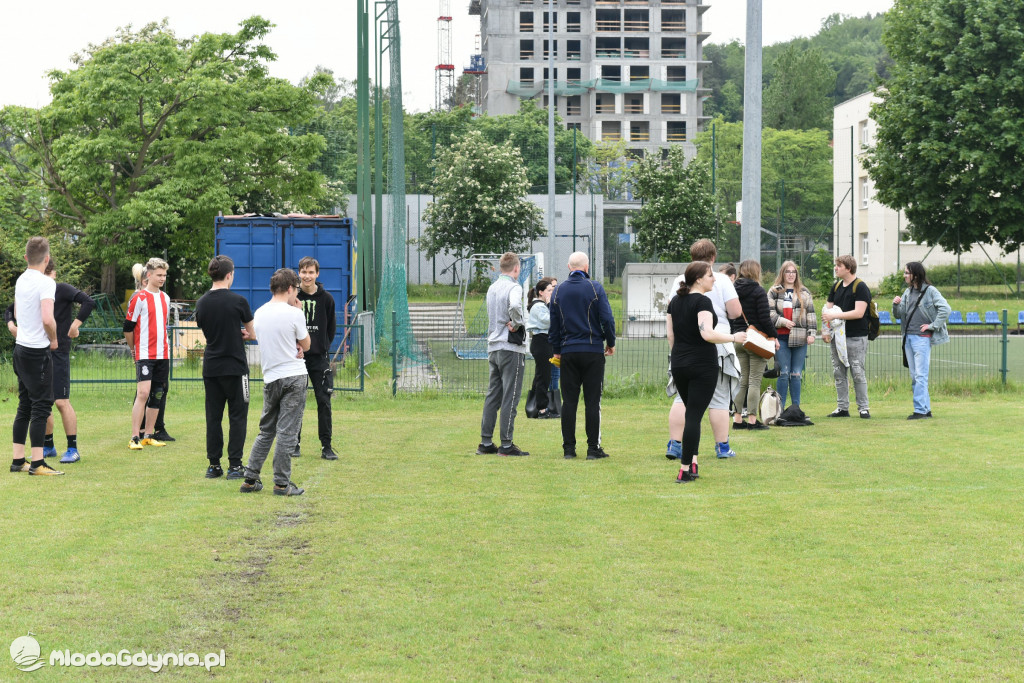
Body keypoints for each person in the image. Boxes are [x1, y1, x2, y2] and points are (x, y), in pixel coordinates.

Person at [667, 261, 747, 483]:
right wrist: (734, 337)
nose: (714, 278)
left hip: (679, 363)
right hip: (702, 365)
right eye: (710, 275)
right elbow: (708, 334)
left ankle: (693, 462)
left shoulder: (674, 301)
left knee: (692, 413)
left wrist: (680, 357)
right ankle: (684, 469)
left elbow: (671, 337)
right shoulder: (702, 301)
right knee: (693, 416)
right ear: (699, 279)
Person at [240, 268, 310, 496]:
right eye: (296, 290)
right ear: (290, 288)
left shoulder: (259, 313)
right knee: (287, 432)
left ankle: (250, 478)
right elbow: (306, 344)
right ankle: (281, 483)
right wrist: (299, 314)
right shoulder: (294, 313)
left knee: (266, 430)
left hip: (271, 377)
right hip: (294, 376)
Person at [548, 251, 616, 460]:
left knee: (569, 402)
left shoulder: (557, 291)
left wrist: (557, 350)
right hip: (593, 350)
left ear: (569, 268)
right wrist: (610, 342)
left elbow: (554, 326)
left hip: (568, 351)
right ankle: (592, 449)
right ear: (586, 268)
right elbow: (607, 318)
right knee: (592, 402)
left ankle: (569, 449)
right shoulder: (595, 288)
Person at [195, 255, 255, 480]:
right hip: (236, 367)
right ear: (229, 275)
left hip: (212, 367)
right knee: (238, 415)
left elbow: (211, 330)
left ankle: (213, 465)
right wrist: (242, 334)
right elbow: (252, 333)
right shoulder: (238, 301)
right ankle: (235, 465)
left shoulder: (201, 302)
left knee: (214, 416)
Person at [10, 237, 64, 476]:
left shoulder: (20, 280)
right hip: (36, 351)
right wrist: (53, 339)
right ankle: (38, 463)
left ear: (25, 258)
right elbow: (46, 318)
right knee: (42, 405)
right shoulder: (46, 283)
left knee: (24, 405)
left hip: (20, 348)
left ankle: (18, 459)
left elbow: (21, 313)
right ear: (47, 259)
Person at [476, 252, 530, 457]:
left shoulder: (492, 288)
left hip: (494, 347)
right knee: (511, 395)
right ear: (516, 268)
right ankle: (506, 444)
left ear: (501, 268)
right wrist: (517, 324)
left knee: (493, 395)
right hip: (510, 347)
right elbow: (515, 306)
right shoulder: (514, 287)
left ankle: (486, 441)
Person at [893, 261, 951, 420]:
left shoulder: (930, 291)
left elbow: (946, 309)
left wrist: (933, 326)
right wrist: (895, 305)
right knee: (915, 375)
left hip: (922, 339)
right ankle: (926, 409)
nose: (904, 275)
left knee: (920, 375)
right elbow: (899, 315)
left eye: (907, 273)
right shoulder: (907, 292)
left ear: (915, 275)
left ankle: (919, 410)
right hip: (908, 338)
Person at [124, 258, 172, 449]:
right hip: (144, 353)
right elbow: (128, 327)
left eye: (164, 275)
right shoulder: (139, 298)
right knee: (143, 393)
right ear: (149, 275)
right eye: (159, 275)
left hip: (163, 354)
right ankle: (135, 436)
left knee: (158, 394)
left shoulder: (166, 298)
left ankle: (149, 434)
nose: (162, 279)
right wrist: (132, 349)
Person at [295, 257, 338, 460]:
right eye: (303, 272)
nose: (307, 276)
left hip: (319, 359)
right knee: (295, 402)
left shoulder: (327, 299)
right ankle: (294, 443)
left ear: (317, 274)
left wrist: (321, 348)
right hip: (296, 359)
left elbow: (331, 329)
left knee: (324, 401)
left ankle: (326, 446)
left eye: (311, 272)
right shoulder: (293, 298)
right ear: (299, 274)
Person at [729, 260, 778, 430]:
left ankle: (737, 419)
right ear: (756, 272)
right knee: (755, 382)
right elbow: (764, 318)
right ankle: (751, 420)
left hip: (739, 339)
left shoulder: (733, 290)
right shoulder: (758, 291)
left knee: (743, 381)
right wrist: (774, 336)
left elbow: (730, 314)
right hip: (755, 340)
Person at [821, 254, 872, 419]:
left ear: (848, 268)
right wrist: (825, 329)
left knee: (857, 372)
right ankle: (842, 408)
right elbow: (827, 309)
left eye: (839, 266)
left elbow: (859, 313)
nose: (836, 268)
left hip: (856, 336)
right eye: (836, 265)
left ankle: (863, 408)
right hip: (837, 337)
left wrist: (835, 316)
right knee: (838, 372)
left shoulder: (861, 287)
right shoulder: (836, 286)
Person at [767, 260, 816, 410]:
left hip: (800, 338)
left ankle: (796, 408)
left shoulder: (804, 292)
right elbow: (769, 313)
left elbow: (811, 313)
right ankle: (779, 409)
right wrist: (782, 321)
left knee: (796, 374)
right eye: (788, 272)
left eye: (793, 272)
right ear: (782, 273)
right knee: (784, 373)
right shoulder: (774, 291)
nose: (791, 275)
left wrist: (812, 333)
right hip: (780, 338)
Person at [525, 277, 557, 419]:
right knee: (543, 376)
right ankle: (542, 409)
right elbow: (548, 321)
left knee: (541, 375)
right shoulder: (538, 306)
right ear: (541, 292)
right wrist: (551, 306)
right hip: (541, 341)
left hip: (543, 341)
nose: (552, 292)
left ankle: (534, 406)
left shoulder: (540, 305)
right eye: (549, 290)